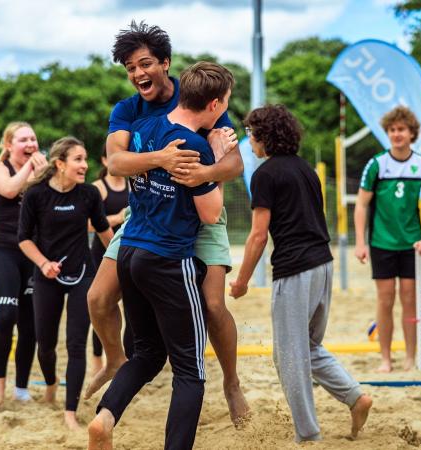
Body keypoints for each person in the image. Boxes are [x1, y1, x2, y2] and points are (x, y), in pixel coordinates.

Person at [84, 20, 249, 425]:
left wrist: (203, 173)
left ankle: (231, 382)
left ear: (165, 63)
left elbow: (234, 162)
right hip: (148, 215)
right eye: (129, 68)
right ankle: (117, 361)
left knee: (212, 305)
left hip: (200, 213)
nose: (138, 74)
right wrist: (161, 159)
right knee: (98, 299)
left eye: (144, 64)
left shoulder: (199, 97)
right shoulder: (128, 109)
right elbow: (117, 162)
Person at [229, 105, 373, 442]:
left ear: (265, 136)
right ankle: (355, 397)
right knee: (305, 347)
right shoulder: (307, 169)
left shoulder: (264, 174)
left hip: (294, 270)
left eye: (251, 134)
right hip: (324, 265)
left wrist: (241, 281)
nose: (248, 141)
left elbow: (258, 236)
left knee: (289, 357)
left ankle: (308, 435)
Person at [18, 136, 113, 430]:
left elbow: (104, 232)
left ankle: (70, 412)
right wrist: (44, 264)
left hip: (82, 275)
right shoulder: (36, 196)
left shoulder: (89, 195)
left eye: (85, 159)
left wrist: (122, 262)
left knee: (76, 345)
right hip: (46, 278)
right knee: (45, 344)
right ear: (60, 164)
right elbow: (23, 239)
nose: (85, 165)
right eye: (78, 159)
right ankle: (50, 383)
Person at [353, 106, 421, 373]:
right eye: (392, 130)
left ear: (412, 133)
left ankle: (410, 358)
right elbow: (361, 205)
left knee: (410, 300)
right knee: (385, 300)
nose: (396, 134)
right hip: (382, 243)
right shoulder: (377, 164)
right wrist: (360, 242)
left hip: (412, 244)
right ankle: (386, 359)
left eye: (401, 129)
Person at [0, 122, 48, 405]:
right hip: (3, 251)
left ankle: (21, 388)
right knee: (6, 316)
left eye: (33, 138)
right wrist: (32, 169)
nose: (31, 144)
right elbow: (9, 190)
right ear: (8, 145)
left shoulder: (41, 172)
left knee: (30, 325)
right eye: (23, 140)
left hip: (32, 253)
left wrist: (46, 176)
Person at [89, 149, 133, 376]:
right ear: (105, 161)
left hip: (129, 249)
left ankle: (126, 360)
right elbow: (88, 224)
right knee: (102, 305)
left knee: (131, 307)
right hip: (103, 252)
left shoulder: (131, 182)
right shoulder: (98, 187)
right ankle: (98, 358)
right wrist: (118, 217)